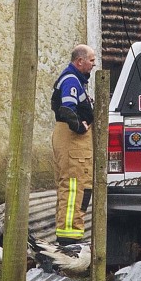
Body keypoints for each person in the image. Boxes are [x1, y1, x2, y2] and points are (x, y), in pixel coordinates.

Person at [50, 43, 97, 245]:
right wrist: (80, 127)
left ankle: (69, 237)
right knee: (75, 188)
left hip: (72, 142)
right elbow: (67, 110)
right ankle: (70, 242)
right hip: (73, 142)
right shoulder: (71, 80)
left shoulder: (75, 80)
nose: (94, 65)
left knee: (73, 187)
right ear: (80, 61)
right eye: (92, 60)